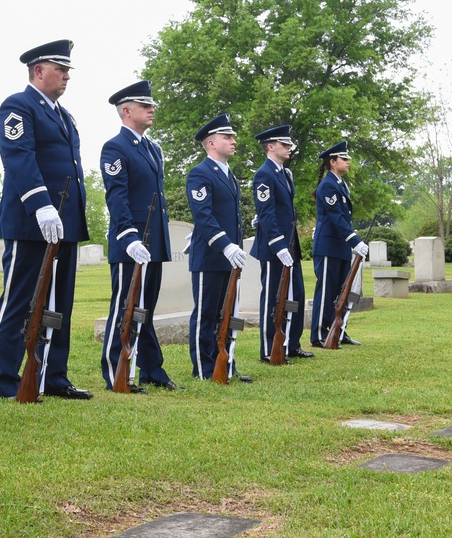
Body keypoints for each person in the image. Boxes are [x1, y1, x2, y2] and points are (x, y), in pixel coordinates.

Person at [0, 40, 92, 400]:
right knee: (19, 301)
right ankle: (4, 380)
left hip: (64, 221)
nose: (66, 76)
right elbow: (18, 157)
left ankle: (53, 375)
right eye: (60, 69)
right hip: (31, 220)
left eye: (67, 70)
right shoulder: (18, 106)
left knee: (59, 303)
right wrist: (41, 205)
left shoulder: (65, 115)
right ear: (38, 71)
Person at [99, 82, 179, 392]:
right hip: (130, 242)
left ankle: (151, 371)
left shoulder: (152, 148)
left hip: (153, 240)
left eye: (151, 104)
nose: (151, 109)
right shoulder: (115, 147)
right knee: (125, 308)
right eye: (144, 105)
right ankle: (115, 372)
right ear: (126, 110)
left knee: (145, 309)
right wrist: (129, 236)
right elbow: (116, 196)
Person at [185, 114, 252, 383]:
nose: (233, 141)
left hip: (229, 257)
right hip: (210, 257)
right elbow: (204, 216)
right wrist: (226, 246)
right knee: (206, 315)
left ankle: (226, 365)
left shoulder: (229, 175)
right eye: (228, 137)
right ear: (211, 142)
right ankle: (203, 369)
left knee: (227, 314)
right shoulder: (200, 173)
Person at [251, 125, 314, 363]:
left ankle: (292, 343)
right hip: (273, 247)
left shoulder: (285, 174)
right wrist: (279, 246)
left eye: (289, 144)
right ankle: (269, 348)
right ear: (271, 146)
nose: (289, 148)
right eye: (284, 144)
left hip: (291, 245)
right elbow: (266, 214)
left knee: (296, 293)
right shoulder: (264, 174)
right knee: (273, 297)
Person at [310, 140, 368, 347]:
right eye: (344, 159)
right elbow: (336, 218)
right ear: (333, 162)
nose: (348, 162)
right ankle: (318, 334)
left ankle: (339, 330)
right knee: (326, 291)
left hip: (341, 246)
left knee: (341, 292)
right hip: (328, 246)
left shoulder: (342, 185)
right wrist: (355, 240)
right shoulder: (328, 186)